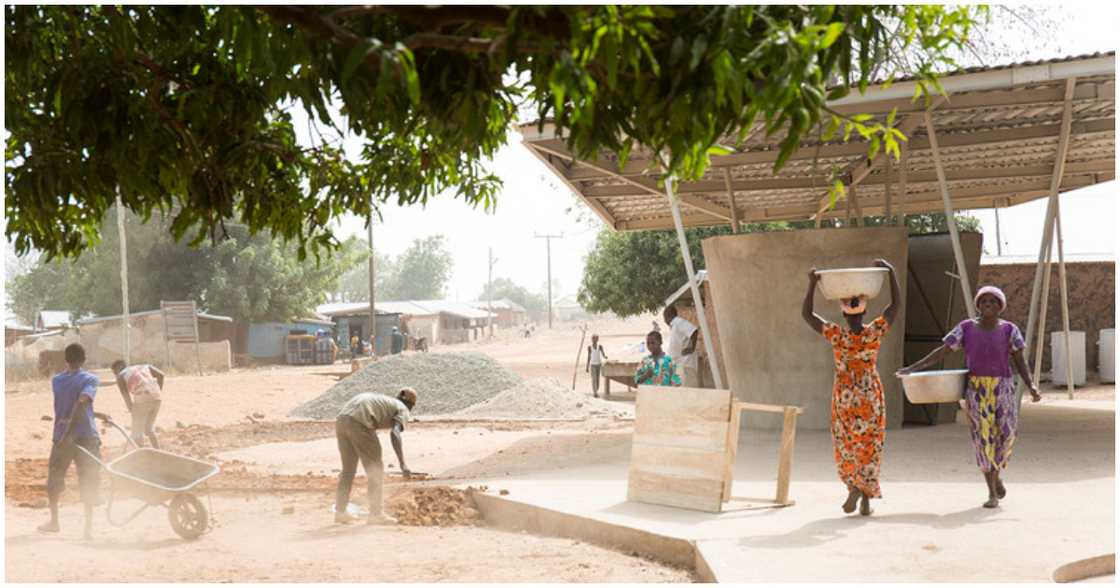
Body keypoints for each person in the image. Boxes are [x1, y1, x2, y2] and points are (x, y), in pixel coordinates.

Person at [897, 285, 1041, 508]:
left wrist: (1031, 385)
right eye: (984, 302)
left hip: (1003, 388)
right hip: (977, 390)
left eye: (993, 302)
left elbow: (1020, 360)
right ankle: (992, 492)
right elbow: (942, 351)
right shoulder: (965, 328)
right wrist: (914, 367)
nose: (988, 305)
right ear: (978, 305)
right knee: (984, 439)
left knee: (1007, 434)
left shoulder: (1010, 330)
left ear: (1000, 306)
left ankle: (997, 473)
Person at [803, 259, 901, 517]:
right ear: (865, 313)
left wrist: (812, 284)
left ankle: (853, 489)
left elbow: (807, 316)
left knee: (846, 443)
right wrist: (891, 273)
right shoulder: (874, 333)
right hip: (870, 395)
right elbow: (895, 306)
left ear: (844, 313)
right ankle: (866, 495)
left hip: (845, 396)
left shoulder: (838, 335)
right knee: (870, 443)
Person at [40, 343, 107, 539]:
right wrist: (70, 432)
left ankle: (54, 522)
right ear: (84, 359)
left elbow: (71, 405)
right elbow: (81, 403)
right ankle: (88, 529)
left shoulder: (57, 381)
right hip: (85, 436)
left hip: (61, 437)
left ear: (66, 360)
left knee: (55, 476)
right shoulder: (91, 379)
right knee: (88, 479)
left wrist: (99, 414)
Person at [334, 388, 418, 525]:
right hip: (360, 422)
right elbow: (395, 433)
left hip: (342, 421)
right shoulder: (403, 409)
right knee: (376, 470)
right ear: (411, 404)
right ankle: (376, 514)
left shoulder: (386, 401)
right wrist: (402, 464)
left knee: (348, 471)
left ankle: (340, 512)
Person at [110, 359, 166, 449]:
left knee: (137, 431)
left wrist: (133, 412)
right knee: (148, 428)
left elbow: (126, 398)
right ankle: (158, 451)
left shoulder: (120, 376)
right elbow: (161, 375)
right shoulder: (144, 366)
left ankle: (140, 455)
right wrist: (158, 391)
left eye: (114, 373)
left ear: (118, 369)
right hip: (157, 397)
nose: (115, 375)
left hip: (142, 398)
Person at [663, 305, 699, 387]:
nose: (664, 321)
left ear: (667, 316)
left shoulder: (678, 322)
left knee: (688, 392)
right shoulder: (674, 325)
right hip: (680, 365)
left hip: (686, 365)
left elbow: (694, 331)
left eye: (664, 318)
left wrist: (691, 348)